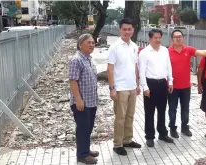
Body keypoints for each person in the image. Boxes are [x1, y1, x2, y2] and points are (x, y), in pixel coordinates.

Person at [167, 30, 206, 138]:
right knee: (172, 108)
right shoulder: (167, 52)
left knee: (185, 108)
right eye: (176, 37)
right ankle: (172, 128)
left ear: (183, 38)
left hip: (185, 87)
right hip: (172, 86)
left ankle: (184, 127)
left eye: (180, 36)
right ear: (172, 39)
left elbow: (201, 52)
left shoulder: (188, 49)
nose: (178, 38)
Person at [107, 18, 141, 156]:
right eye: (124, 29)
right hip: (120, 88)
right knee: (120, 118)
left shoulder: (134, 46)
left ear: (133, 30)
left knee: (130, 116)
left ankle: (127, 140)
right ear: (119, 30)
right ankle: (118, 144)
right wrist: (112, 88)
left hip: (132, 87)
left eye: (129, 29)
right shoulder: (114, 47)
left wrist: (138, 84)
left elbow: (135, 66)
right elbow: (110, 68)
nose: (127, 32)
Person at [139, 29, 174, 147]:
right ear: (150, 39)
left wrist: (170, 81)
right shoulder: (144, 53)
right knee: (149, 112)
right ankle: (149, 136)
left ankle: (163, 133)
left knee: (162, 110)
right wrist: (145, 87)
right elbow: (141, 72)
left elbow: (168, 66)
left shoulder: (165, 50)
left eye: (159, 37)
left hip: (163, 83)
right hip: (150, 84)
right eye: (155, 38)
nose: (158, 40)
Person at [69, 33, 99, 164]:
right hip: (82, 102)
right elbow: (73, 81)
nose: (92, 45)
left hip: (91, 100)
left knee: (88, 127)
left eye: (93, 42)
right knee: (82, 128)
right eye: (89, 42)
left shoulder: (88, 59)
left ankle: (86, 149)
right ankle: (82, 155)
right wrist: (78, 99)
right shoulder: (76, 60)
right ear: (80, 44)